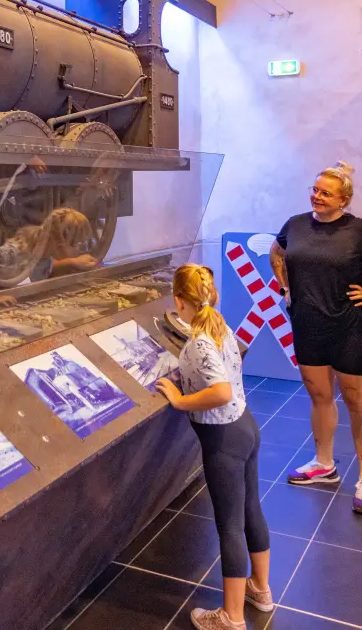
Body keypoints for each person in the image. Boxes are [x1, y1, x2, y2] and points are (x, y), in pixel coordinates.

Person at [157, 265, 272, 630]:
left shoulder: (199, 342)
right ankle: (260, 590)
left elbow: (220, 391)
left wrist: (180, 400)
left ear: (179, 301)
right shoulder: (218, 325)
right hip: (245, 426)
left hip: (224, 440)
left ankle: (231, 617)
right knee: (251, 510)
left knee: (230, 526)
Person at [270, 162, 362, 513]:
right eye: (315, 189)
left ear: (344, 200)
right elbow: (277, 252)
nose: (317, 196)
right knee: (320, 396)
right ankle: (324, 464)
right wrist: (285, 286)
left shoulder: (357, 230)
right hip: (307, 324)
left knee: (356, 401)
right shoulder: (295, 225)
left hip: (350, 326)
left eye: (326, 193)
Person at [0, 207, 97, 290]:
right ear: (59, 243)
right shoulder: (15, 252)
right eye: (76, 245)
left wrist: (73, 262)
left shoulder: (43, 254)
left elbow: (44, 265)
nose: (78, 250)